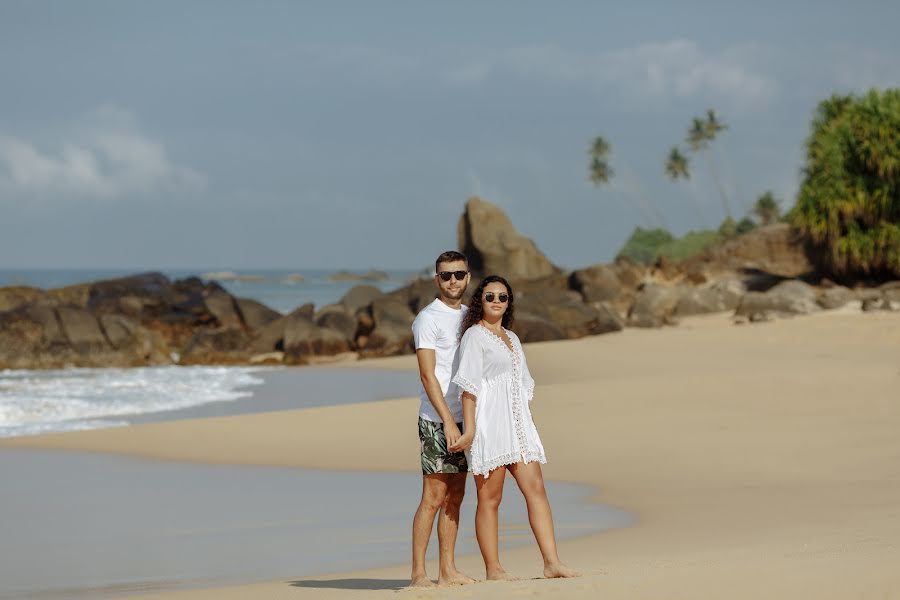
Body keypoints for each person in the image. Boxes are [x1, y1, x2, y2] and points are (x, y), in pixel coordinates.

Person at [449, 275, 581, 581]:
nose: (496, 302)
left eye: (502, 297)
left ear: (509, 303)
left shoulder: (512, 337)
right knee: (490, 498)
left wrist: (529, 424)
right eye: (490, 296)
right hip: (489, 425)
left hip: (519, 424)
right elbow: (467, 387)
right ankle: (493, 569)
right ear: (480, 300)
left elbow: (520, 386)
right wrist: (469, 431)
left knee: (536, 489)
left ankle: (552, 563)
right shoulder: (473, 336)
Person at [408, 251, 476, 587]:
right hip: (437, 420)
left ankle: (447, 570)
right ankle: (419, 574)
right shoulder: (427, 319)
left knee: (456, 495)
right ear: (437, 279)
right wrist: (448, 421)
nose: (453, 281)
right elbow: (427, 375)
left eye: (458, 275)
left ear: (468, 276)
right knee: (433, 497)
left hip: (467, 417)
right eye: (446, 275)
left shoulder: (468, 316)